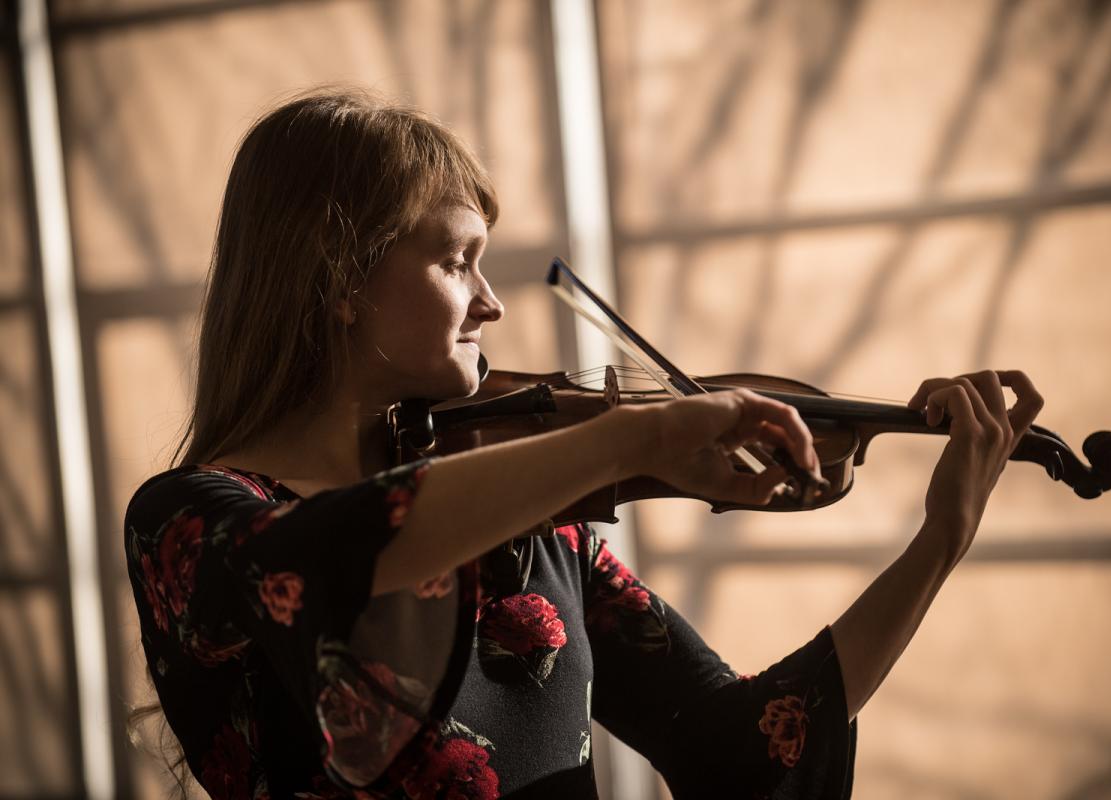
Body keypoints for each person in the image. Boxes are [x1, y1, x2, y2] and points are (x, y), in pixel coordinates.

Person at [124, 89, 1043, 800]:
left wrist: (939, 543)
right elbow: (337, 554)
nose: (493, 302)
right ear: (339, 280)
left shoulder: (531, 530)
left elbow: (741, 753)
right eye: (455, 260)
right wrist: (628, 439)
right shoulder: (192, 522)